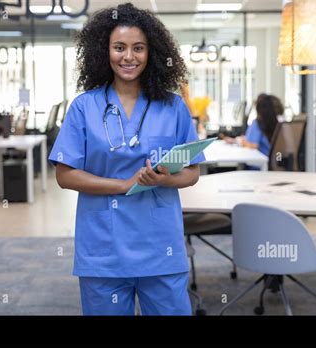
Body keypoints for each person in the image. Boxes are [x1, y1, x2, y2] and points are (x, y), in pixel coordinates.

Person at [48, 3, 204, 316]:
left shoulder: (174, 107)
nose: (128, 57)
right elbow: (65, 176)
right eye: (119, 47)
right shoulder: (83, 107)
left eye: (138, 48)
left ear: (152, 53)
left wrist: (164, 179)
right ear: (104, 51)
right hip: (104, 247)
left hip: (161, 246)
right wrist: (124, 185)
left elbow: (192, 172)